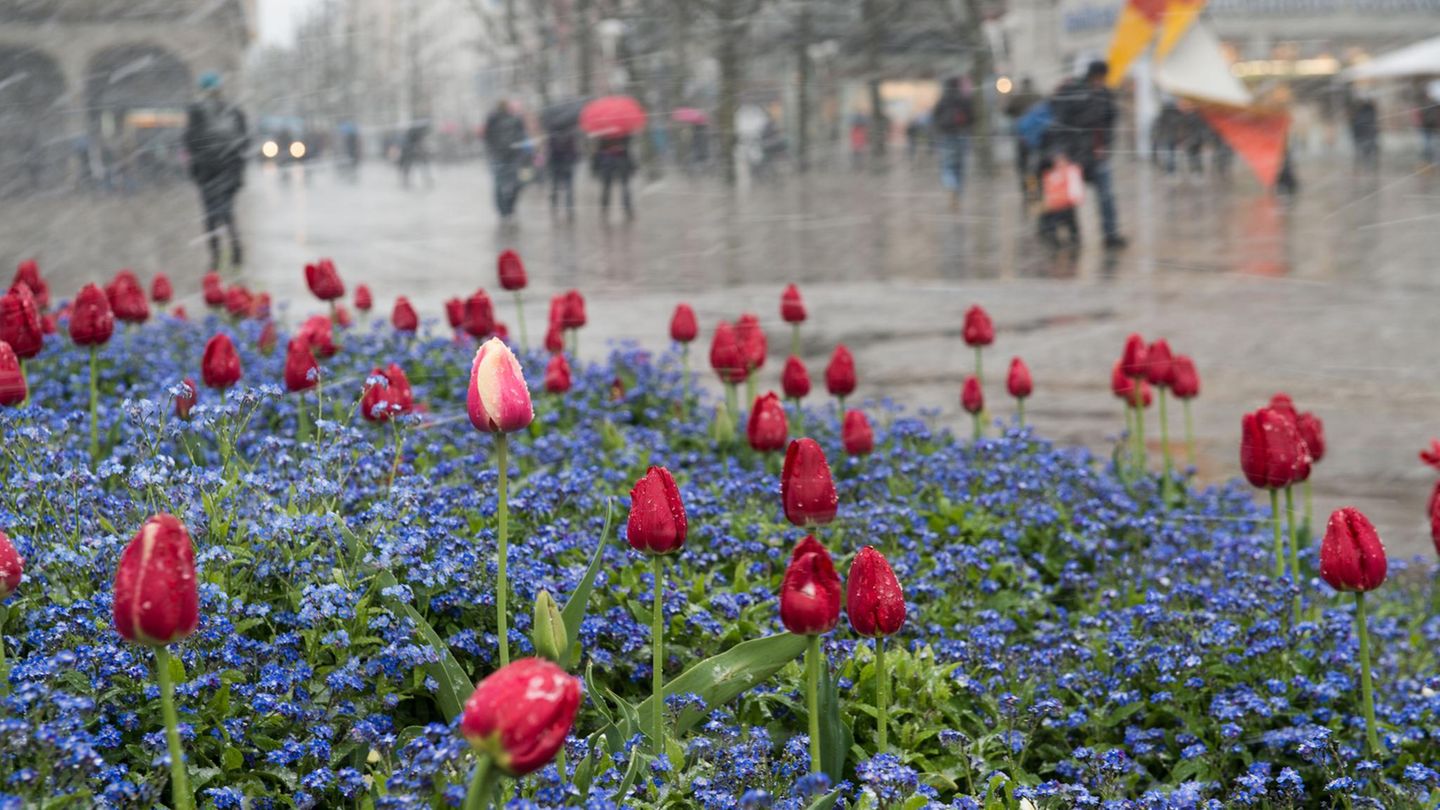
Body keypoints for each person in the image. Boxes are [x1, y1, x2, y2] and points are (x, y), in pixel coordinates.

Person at [1049, 60, 1126, 249]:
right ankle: (1067, 234)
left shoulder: (1104, 94)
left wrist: (1106, 144)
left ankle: (1110, 235)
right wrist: (1060, 152)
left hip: (1097, 155)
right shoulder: (1073, 91)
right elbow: (1060, 123)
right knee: (1069, 198)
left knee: (1106, 196)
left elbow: (1110, 120)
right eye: (1098, 78)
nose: (1100, 82)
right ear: (1092, 76)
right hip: (1075, 155)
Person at [183, 71, 249, 269]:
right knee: (227, 212)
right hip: (229, 170)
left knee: (210, 215)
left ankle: (215, 256)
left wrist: (196, 167)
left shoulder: (196, 111)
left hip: (207, 172)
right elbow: (244, 141)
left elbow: (189, 140)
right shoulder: (234, 111)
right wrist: (238, 171)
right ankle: (236, 248)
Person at [932, 77, 974, 207]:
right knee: (960, 167)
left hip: (946, 136)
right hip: (961, 135)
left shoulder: (942, 101)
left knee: (947, 166)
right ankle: (958, 193)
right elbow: (972, 117)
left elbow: (935, 117)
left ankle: (951, 186)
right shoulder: (964, 100)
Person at [484, 100, 526, 221]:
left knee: (500, 184)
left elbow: (487, 137)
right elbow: (521, 136)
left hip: (501, 156)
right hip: (509, 156)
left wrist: (492, 150)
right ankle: (508, 208)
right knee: (515, 183)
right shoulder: (511, 119)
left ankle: (504, 209)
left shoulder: (493, 119)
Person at [1004, 77, 1043, 196]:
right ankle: (1036, 186)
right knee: (1036, 163)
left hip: (1022, 137)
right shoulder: (1038, 96)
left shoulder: (1018, 97)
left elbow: (1007, 111)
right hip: (1038, 136)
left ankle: (1027, 188)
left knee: (1023, 164)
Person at [1038, 151, 1083, 247]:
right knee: (1056, 223)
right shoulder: (1050, 173)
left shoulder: (1069, 171)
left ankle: (1073, 238)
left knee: (1070, 222)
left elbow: (1075, 186)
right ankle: (1055, 239)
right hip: (1056, 205)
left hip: (1066, 203)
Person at [593, 134, 634, 220]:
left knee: (608, 188)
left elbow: (599, 149)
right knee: (623, 187)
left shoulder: (604, 132)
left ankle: (604, 210)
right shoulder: (623, 131)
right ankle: (627, 209)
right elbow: (628, 144)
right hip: (621, 161)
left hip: (608, 162)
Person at [547, 122, 579, 218]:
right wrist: (573, 159)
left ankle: (554, 205)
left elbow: (550, 151)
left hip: (556, 164)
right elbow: (574, 151)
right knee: (568, 187)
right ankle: (569, 208)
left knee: (555, 186)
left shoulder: (552, 135)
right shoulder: (570, 134)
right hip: (567, 164)